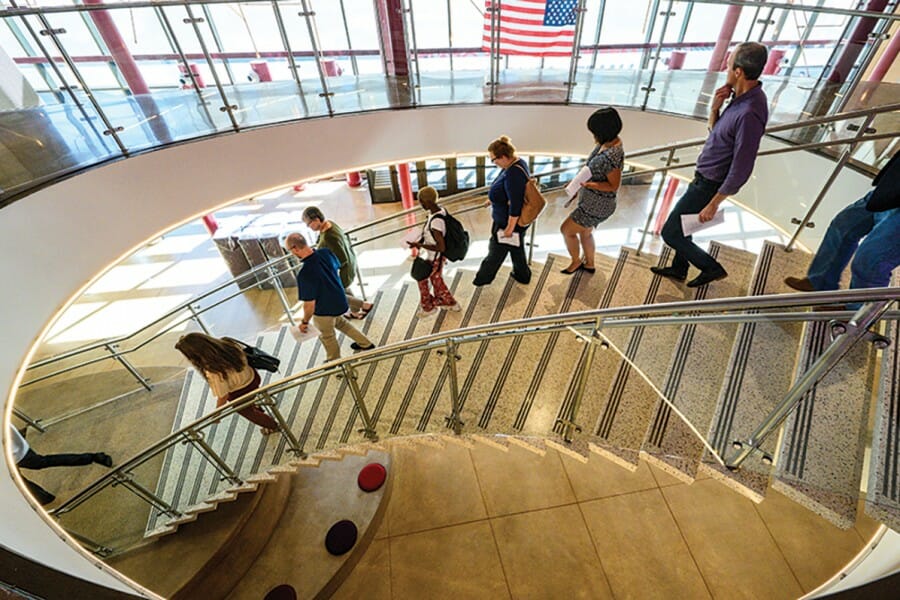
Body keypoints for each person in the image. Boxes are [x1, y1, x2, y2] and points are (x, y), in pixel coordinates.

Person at [651, 42, 769, 288]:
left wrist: (714, 203)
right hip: (704, 176)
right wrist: (714, 110)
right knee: (684, 225)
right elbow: (718, 135)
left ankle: (711, 267)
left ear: (738, 71)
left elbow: (743, 165)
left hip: (709, 184)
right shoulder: (737, 99)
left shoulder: (749, 112)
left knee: (671, 232)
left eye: (729, 65)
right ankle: (679, 268)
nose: (725, 69)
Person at [784, 151, 900, 308]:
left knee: (870, 261)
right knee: (843, 225)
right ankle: (821, 282)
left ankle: (856, 317)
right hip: (892, 188)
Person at [285, 232, 375, 361]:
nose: (291, 253)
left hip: (323, 311)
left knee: (328, 337)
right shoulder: (325, 253)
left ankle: (334, 362)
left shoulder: (305, 274)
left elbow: (309, 304)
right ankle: (366, 344)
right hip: (339, 301)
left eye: (289, 250)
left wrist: (304, 322)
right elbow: (336, 269)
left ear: (294, 248)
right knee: (342, 324)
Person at [560, 107, 625, 274]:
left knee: (566, 230)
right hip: (594, 202)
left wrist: (588, 185)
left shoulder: (611, 156)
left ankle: (576, 262)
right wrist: (577, 183)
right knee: (585, 233)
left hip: (595, 206)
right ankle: (589, 264)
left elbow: (613, 185)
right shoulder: (609, 143)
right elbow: (593, 171)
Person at [175, 332, 280, 434]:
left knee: (248, 412)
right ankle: (255, 404)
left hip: (240, 392)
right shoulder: (228, 343)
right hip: (253, 378)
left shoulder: (213, 371)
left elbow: (223, 395)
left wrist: (217, 414)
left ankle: (272, 426)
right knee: (251, 398)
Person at [473, 135, 532, 286]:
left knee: (495, 253)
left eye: (494, 160)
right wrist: (492, 199)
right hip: (507, 219)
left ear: (504, 156)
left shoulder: (514, 173)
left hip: (507, 222)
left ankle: (482, 279)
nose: (494, 163)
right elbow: (505, 188)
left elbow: (516, 204)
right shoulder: (515, 164)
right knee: (516, 247)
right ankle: (522, 275)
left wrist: (509, 229)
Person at [9, 424, 112, 506]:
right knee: (22, 476)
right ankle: (43, 498)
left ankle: (44, 498)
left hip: (14, 453)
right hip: (15, 450)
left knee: (28, 472)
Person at [301, 206, 373, 320]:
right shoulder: (329, 225)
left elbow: (342, 258)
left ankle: (363, 307)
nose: (309, 227)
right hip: (349, 261)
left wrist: (332, 272)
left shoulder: (330, 236)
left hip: (343, 270)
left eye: (309, 224)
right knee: (344, 290)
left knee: (340, 291)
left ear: (316, 220)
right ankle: (357, 310)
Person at [407, 185, 461, 318]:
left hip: (433, 258)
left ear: (428, 202)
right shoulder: (440, 211)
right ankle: (448, 303)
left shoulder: (436, 222)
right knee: (436, 280)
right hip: (435, 257)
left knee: (422, 279)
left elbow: (440, 247)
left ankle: (429, 307)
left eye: (421, 202)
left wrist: (419, 245)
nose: (420, 205)